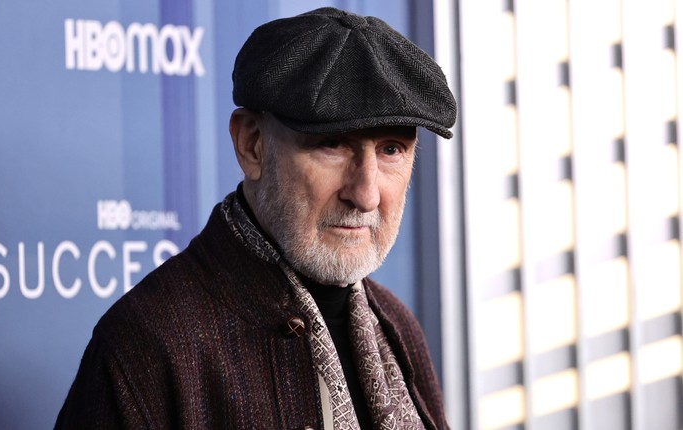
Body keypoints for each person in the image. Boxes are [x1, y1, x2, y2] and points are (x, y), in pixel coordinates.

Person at [56, 6, 456, 430]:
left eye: (391, 149)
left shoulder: (396, 326)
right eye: (333, 144)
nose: (366, 193)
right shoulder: (146, 346)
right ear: (252, 145)